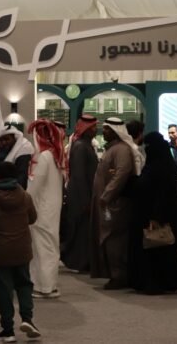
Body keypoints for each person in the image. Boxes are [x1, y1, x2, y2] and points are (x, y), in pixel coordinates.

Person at [0, 161, 41, 343]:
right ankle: (27, 319)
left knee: (4, 290)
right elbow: (33, 218)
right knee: (24, 284)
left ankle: (8, 330)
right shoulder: (25, 197)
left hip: (0, 251)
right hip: (22, 248)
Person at [129, 132, 177, 294]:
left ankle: (157, 282)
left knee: (156, 249)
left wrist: (156, 216)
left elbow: (162, 193)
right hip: (157, 214)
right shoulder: (161, 164)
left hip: (156, 216)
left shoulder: (160, 168)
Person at [89, 117, 139, 289]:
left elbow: (121, 174)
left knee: (115, 240)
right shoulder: (112, 149)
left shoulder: (122, 150)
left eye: (108, 129)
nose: (104, 132)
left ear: (116, 131)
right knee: (108, 238)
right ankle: (113, 273)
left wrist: (106, 196)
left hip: (115, 204)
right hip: (108, 203)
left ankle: (119, 276)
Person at [27, 119, 64, 299]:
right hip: (51, 207)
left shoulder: (43, 157)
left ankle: (45, 287)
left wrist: (25, 203)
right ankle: (48, 285)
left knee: (42, 247)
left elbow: (35, 185)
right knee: (48, 246)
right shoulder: (55, 155)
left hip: (41, 208)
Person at [61, 115, 98, 272]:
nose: (95, 130)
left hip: (85, 194)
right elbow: (79, 175)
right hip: (80, 195)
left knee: (84, 231)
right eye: (93, 127)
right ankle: (77, 262)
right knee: (79, 230)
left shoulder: (86, 145)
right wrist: (85, 200)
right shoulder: (81, 146)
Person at [0, 125, 35, 190]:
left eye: (6, 139)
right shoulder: (6, 148)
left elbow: (22, 176)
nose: (3, 142)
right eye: (1, 140)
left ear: (14, 138)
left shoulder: (24, 149)